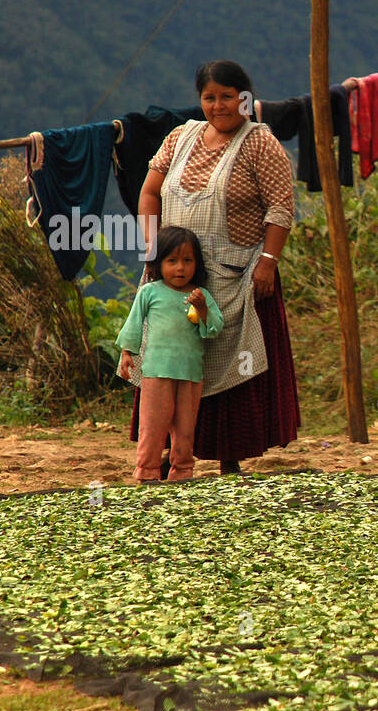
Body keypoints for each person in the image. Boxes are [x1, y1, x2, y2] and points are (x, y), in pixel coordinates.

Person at [131, 59, 301, 477]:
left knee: (228, 361)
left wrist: (268, 262)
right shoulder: (179, 138)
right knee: (170, 360)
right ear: (200, 100)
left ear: (245, 98)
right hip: (172, 276)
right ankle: (169, 454)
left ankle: (229, 456)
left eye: (228, 96)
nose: (219, 105)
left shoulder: (260, 142)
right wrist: (154, 251)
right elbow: (150, 192)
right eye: (210, 97)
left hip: (238, 275)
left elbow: (280, 208)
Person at [116, 226, 222, 482]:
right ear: (157, 262)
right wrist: (126, 352)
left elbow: (214, 329)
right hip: (156, 373)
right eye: (172, 261)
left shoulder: (201, 295)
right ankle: (148, 472)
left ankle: (182, 472)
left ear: (197, 263)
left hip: (190, 374)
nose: (180, 268)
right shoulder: (149, 292)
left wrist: (203, 309)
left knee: (186, 429)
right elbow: (133, 323)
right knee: (152, 427)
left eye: (188, 261)